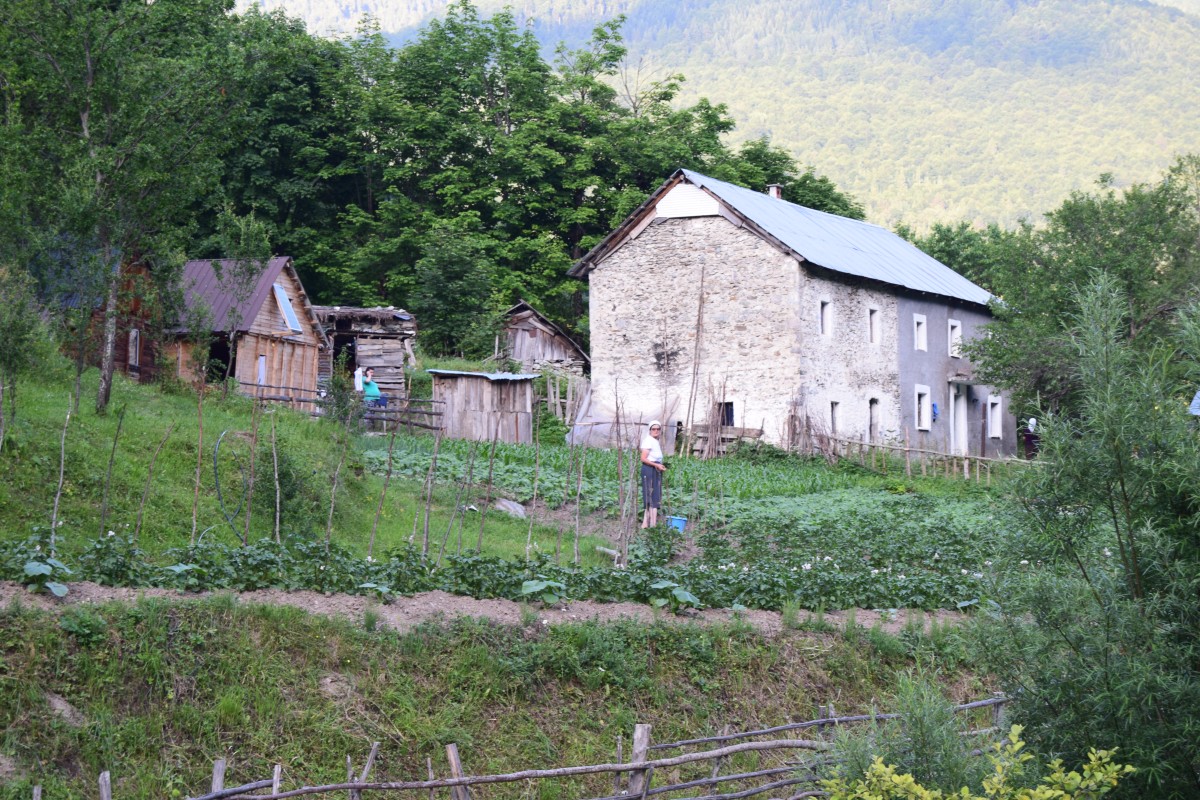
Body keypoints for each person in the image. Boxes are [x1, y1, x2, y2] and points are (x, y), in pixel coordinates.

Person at [640, 420, 666, 529]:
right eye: (653, 429)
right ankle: (651, 524)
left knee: (654, 496)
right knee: (651, 496)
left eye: (658, 429)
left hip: (655, 469)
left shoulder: (655, 441)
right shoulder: (648, 441)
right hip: (649, 470)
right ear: (650, 430)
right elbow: (643, 458)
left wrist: (660, 465)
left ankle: (647, 523)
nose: (656, 431)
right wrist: (656, 466)